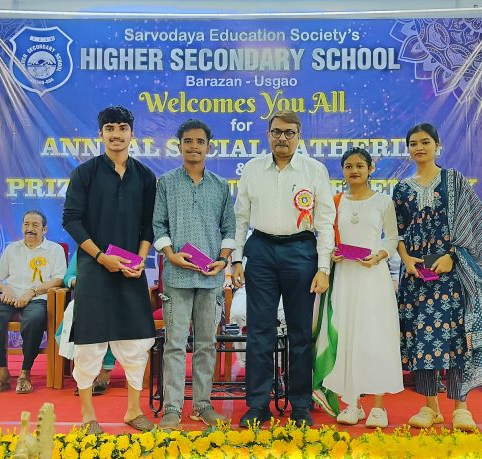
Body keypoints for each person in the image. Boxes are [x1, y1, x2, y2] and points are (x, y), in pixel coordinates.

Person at [394, 123, 482, 432]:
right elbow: (398, 233)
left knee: (457, 339)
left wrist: (452, 256)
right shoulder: (402, 188)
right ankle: (430, 406)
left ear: (437, 145)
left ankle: (461, 408)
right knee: (422, 339)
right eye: (413, 143)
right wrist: (405, 259)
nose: (419, 147)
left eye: (425, 142)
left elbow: (473, 225)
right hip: (417, 277)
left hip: (452, 275)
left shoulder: (454, 181)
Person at [232, 110, 335, 427]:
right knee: (259, 332)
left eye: (289, 133)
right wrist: (236, 259)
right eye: (276, 132)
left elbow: (325, 222)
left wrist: (323, 267)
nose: (282, 138)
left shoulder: (314, 170)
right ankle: (258, 405)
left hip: (301, 251)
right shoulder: (252, 169)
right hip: (260, 250)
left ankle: (300, 405)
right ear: (268, 134)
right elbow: (240, 218)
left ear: (299, 136)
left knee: (300, 333)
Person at [62, 105, 157, 434]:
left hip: (131, 271)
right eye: (110, 128)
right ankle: (88, 416)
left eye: (122, 128)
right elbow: (71, 220)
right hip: (94, 269)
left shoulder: (145, 176)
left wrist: (141, 259)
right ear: (100, 134)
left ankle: (133, 410)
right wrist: (101, 257)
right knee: (90, 342)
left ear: (132, 134)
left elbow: (149, 225)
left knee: (136, 340)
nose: (116, 134)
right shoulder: (84, 174)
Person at [152, 119, 235, 428]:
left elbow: (229, 228)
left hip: (211, 277)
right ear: (180, 146)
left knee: (206, 344)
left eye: (200, 141)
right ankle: (172, 408)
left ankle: (202, 404)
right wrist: (170, 254)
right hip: (176, 277)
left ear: (208, 147)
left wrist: (223, 260)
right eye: (188, 141)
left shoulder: (220, 186)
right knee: (174, 344)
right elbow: (158, 225)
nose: (194, 146)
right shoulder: (166, 183)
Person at [316, 147, 404, 428]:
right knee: (346, 336)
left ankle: (378, 407)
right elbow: (326, 237)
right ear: (343, 171)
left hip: (373, 277)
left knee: (374, 337)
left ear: (370, 169)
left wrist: (379, 255)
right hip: (345, 277)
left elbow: (393, 238)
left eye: (360, 166)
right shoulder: (335, 202)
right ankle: (352, 403)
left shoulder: (383, 202)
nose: (354, 171)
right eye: (349, 166)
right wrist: (332, 254)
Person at [0, 210, 67, 395]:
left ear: (44, 229)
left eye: (35, 225)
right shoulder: (12, 249)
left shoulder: (55, 250)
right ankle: (2, 374)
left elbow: (59, 279)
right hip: (10, 297)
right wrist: (5, 289)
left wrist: (32, 291)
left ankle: (25, 373)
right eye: (26, 224)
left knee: (34, 320)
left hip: (38, 298)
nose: (30, 229)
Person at [55, 251, 117, 396]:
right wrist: (81, 281)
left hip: (115, 298)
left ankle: (106, 370)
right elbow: (68, 277)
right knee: (81, 318)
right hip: (87, 297)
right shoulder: (84, 247)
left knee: (108, 317)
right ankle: (86, 373)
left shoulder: (121, 245)